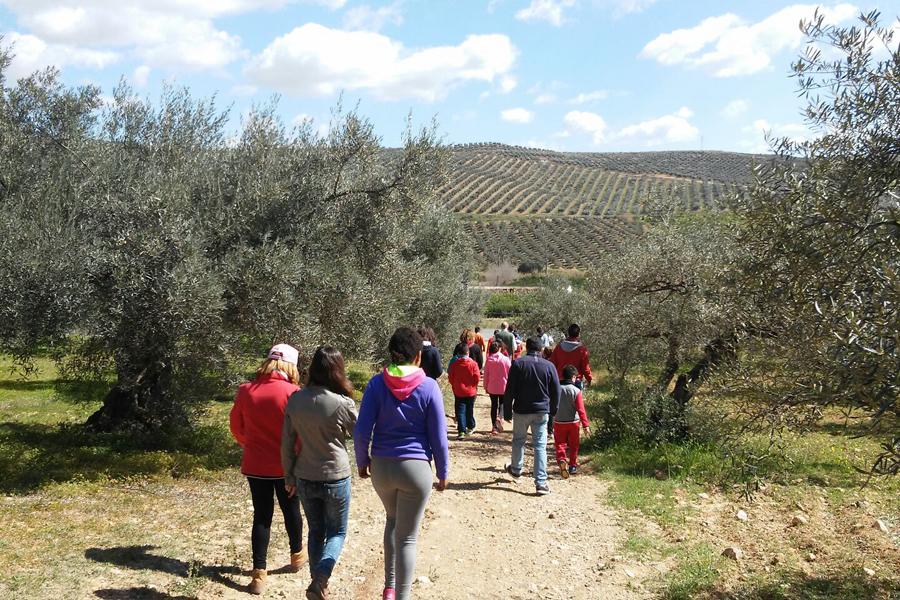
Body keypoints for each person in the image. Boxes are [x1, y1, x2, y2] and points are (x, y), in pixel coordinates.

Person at [354, 327, 450, 600]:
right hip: (416, 470)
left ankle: (389, 587)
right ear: (418, 356)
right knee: (407, 537)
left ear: (392, 354)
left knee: (392, 520)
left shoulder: (376, 384)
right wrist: (443, 471)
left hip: (382, 469)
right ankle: (402, 596)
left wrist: (362, 461)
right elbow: (439, 437)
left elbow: (361, 431)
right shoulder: (429, 387)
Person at [282, 346, 358, 600]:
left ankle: (317, 584)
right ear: (338, 370)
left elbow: (287, 443)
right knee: (337, 532)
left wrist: (289, 476)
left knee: (316, 531)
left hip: (305, 475)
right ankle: (321, 578)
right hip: (335, 475)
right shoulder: (342, 403)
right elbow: (359, 434)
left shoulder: (295, 400)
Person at [230, 344, 306, 595]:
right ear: (290, 366)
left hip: (255, 464)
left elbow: (236, 427)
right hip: (286, 465)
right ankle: (297, 555)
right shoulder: (294, 393)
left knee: (262, 516)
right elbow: (300, 434)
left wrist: (250, 444)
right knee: (291, 510)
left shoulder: (245, 390)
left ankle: (258, 574)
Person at [503, 337, 561, 495]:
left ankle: (516, 469)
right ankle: (541, 483)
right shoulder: (549, 366)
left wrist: (506, 410)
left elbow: (510, 389)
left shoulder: (518, 364)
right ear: (541, 349)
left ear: (526, 348)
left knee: (518, 440)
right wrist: (553, 410)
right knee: (540, 446)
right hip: (541, 411)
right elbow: (556, 390)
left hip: (521, 410)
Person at [553, 365, 591, 479]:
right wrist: (585, 425)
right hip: (573, 422)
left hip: (559, 421)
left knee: (560, 443)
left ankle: (561, 459)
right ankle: (573, 465)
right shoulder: (576, 391)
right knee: (574, 444)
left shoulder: (556, 389)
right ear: (573, 377)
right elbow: (581, 410)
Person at [448, 342, 480, 439]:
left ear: (458, 353)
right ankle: (470, 426)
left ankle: (461, 431)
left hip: (458, 391)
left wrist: (454, 385)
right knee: (469, 409)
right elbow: (477, 377)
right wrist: (474, 386)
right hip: (471, 391)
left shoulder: (454, 364)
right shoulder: (473, 364)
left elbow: (451, 377)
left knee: (460, 411)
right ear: (468, 352)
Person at [550, 323, 593, 388]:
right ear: (578, 334)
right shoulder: (582, 350)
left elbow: (552, 364)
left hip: (560, 381)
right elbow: (585, 368)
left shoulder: (558, 347)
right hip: (576, 382)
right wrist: (589, 379)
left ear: (568, 333)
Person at [482, 341, 511, 434]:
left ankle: (494, 427)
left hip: (492, 386)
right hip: (504, 386)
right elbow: (510, 373)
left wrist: (485, 386)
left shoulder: (489, 360)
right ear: (500, 348)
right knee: (502, 403)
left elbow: (486, 375)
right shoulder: (506, 359)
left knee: (494, 405)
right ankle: (500, 417)